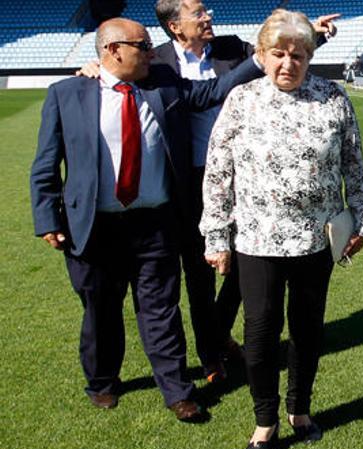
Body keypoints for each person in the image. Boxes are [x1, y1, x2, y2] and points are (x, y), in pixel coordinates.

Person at [29, 18, 264, 421]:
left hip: (155, 224)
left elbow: (211, 91)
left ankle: (177, 390)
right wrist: (47, 217)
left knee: (161, 309)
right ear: (113, 50)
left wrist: (259, 58)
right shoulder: (66, 94)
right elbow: (46, 163)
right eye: (143, 45)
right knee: (101, 310)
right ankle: (102, 381)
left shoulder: (163, 84)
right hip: (94, 228)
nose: (152, 53)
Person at [199, 9, 363, 449]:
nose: (288, 64)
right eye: (277, 54)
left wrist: (361, 219)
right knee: (259, 338)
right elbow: (218, 173)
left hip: (316, 241)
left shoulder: (332, 98)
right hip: (257, 241)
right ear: (261, 55)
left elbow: (354, 167)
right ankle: (265, 422)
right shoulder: (241, 100)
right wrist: (216, 236)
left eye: (298, 55)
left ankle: (299, 410)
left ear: (310, 56)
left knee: (307, 333)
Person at [147, 0, 341, 382]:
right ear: (174, 26)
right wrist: (90, 71)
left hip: (249, 178)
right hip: (190, 179)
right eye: (197, 13)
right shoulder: (158, 65)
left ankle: (217, 334)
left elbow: (277, 54)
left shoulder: (231, 47)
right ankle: (211, 355)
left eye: (207, 10)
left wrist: (311, 34)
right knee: (203, 269)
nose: (209, 17)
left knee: (247, 266)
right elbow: (204, 94)